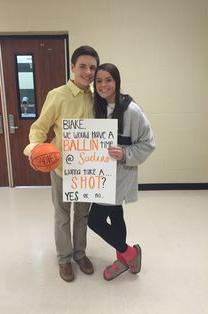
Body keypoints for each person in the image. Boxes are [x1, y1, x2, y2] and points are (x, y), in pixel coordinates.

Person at [24, 45, 100, 282]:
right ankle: (64, 259)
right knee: (63, 216)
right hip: (61, 169)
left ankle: (80, 254)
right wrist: (34, 150)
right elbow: (39, 128)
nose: (88, 72)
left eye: (92, 68)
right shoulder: (57, 95)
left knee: (83, 215)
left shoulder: (97, 97)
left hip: (87, 169)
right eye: (83, 67)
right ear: (72, 67)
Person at [88, 63, 155, 281]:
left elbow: (148, 143)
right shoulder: (96, 107)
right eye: (99, 80)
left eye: (108, 80)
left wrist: (124, 152)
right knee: (116, 215)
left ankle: (129, 253)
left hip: (119, 176)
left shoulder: (131, 111)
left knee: (94, 221)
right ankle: (122, 261)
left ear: (117, 81)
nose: (103, 85)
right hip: (100, 174)